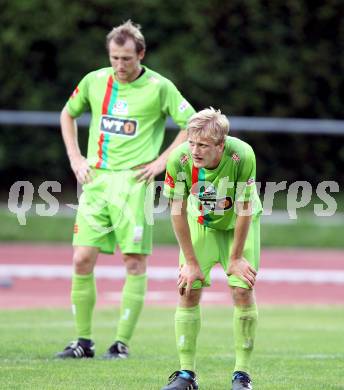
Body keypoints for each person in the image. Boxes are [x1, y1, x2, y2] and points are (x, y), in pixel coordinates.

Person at [56, 20, 195, 359]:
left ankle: (120, 344)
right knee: (81, 258)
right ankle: (83, 342)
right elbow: (67, 114)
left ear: (141, 54)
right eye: (114, 58)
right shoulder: (94, 81)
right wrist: (76, 158)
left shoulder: (159, 87)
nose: (119, 66)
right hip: (96, 181)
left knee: (133, 262)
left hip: (134, 184)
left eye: (126, 59)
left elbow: (191, 124)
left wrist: (161, 162)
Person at [161, 107, 262, 390]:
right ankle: (185, 375)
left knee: (242, 289)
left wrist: (236, 257)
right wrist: (190, 262)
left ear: (220, 144)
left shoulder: (242, 155)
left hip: (238, 228)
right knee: (188, 288)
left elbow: (244, 209)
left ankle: (242, 375)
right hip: (201, 227)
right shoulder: (179, 159)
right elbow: (177, 212)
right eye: (192, 142)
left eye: (203, 145)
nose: (195, 150)